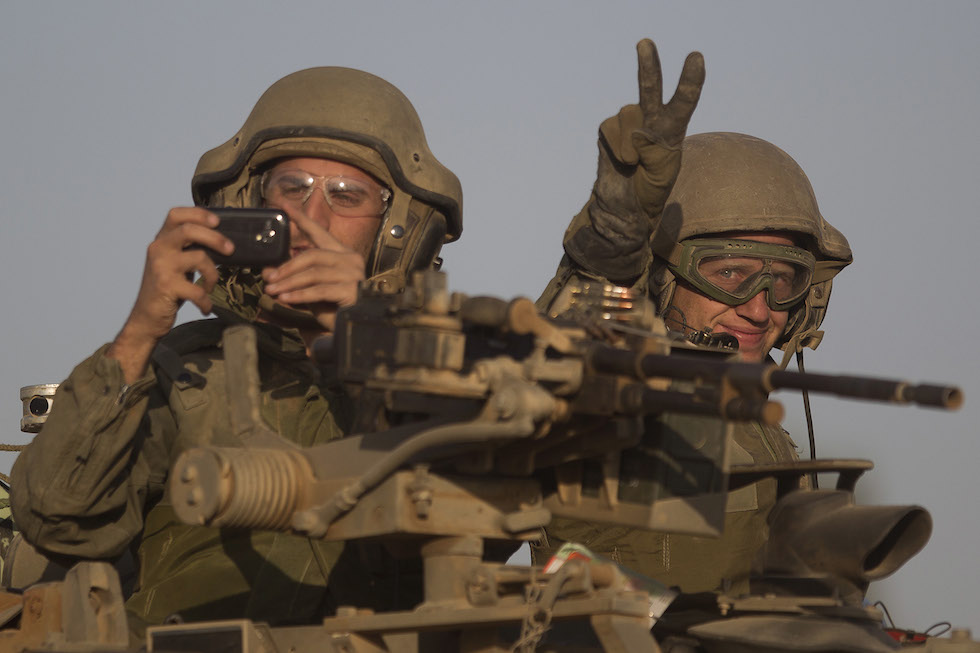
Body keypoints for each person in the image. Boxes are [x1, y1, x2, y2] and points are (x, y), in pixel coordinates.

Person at [9, 66, 462, 635]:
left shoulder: (443, 370)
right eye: (291, 188)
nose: (310, 217)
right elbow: (58, 519)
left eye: (346, 196)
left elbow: (482, 521)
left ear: (393, 232)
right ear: (248, 202)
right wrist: (140, 331)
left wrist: (364, 341)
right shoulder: (183, 370)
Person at [535, 68, 853, 593]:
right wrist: (612, 246)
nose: (759, 310)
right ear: (662, 278)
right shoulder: (613, 401)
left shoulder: (763, 427)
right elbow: (562, 355)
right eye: (729, 274)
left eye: (781, 280)